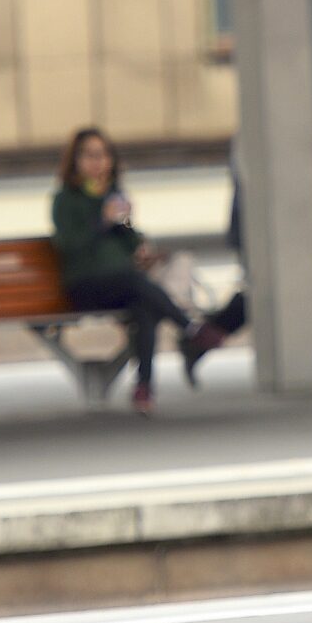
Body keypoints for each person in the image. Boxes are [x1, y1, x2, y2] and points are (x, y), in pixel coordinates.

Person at [50, 128, 226, 416]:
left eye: (104, 155)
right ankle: (190, 328)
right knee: (136, 282)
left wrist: (130, 228)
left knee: (145, 305)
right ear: (76, 161)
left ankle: (144, 386)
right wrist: (101, 220)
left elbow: (127, 244)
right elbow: (71, 244)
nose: (98, 163)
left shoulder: (112, 194)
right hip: (85, 284)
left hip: (121, 283)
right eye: (90, 155)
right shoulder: (66, 200)